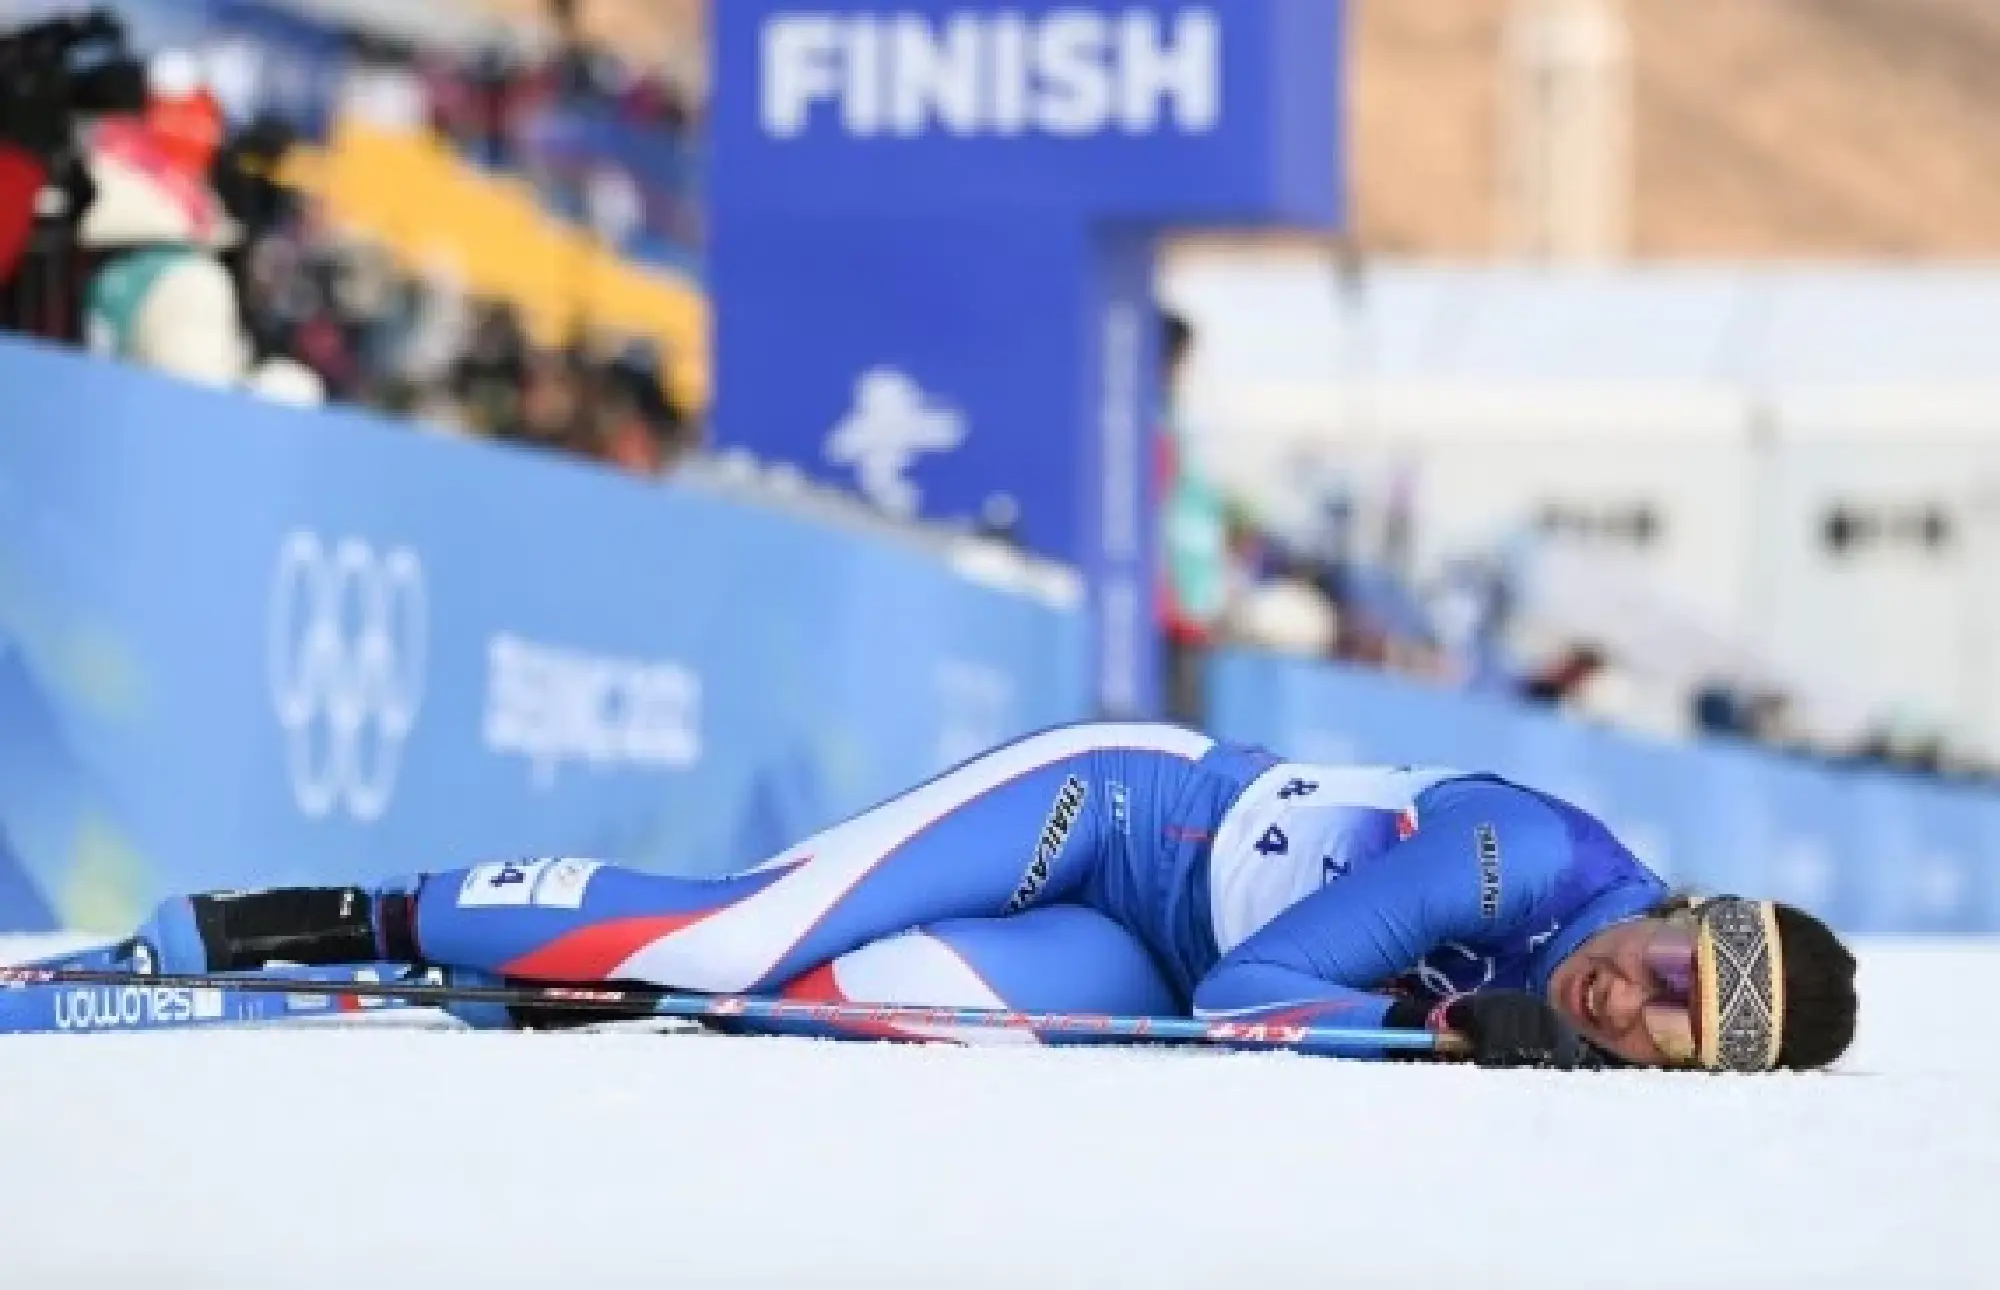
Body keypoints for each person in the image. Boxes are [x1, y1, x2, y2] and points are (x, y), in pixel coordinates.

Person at [76, 722, 1857, 1070]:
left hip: (1144, 951)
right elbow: (1257, 1009)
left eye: (1688, 1039)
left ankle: (529, 969)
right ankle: (336, 916)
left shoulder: (1594, 1011)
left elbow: (1214, 1004)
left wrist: (1479, 1032)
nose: (1647, 1006)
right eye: (1680, 968)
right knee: (741, 936)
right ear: (1687, 910)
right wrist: (1465, 1029)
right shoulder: (1526, 860)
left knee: (821, 1012)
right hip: (1110, 817)